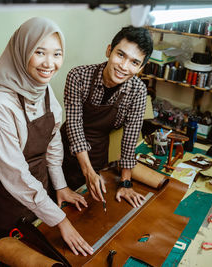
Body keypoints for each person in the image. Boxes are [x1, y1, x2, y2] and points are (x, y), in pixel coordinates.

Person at [0, 17, 93, 256]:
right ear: (22, 51)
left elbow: (53, 141)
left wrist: (60, 186)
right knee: (13, 255)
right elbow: (14, 173)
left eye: (57, 54)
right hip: (6, 194)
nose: (50, 63)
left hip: (38, 186)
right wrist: (60, 220)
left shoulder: (43, 88)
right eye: (40, 52)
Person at [61, 26, 153, 208]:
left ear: (141, 67)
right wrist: (87, 171)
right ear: (109, 50)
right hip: (63, 154)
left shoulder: (138, 91)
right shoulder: (78, 76)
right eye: (120, 55)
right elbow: (74, 124)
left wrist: (126, 183)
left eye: (134, 63)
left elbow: (130, 137)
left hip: (97, 155)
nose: (124, 67)